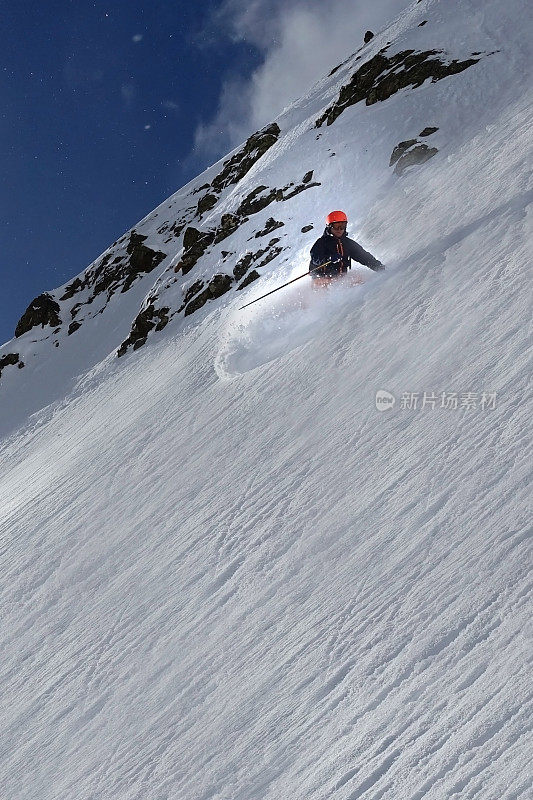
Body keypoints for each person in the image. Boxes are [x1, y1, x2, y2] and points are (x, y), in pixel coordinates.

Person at [310, 211, 384, 284]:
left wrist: (380, 268)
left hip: (340, 278)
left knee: (360, 281)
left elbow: (363, 256)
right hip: (322, 277)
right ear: (329, 227)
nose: (339, 229)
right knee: (324, 282)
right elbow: (315, 258)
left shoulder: (347, 243)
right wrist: (328, 258)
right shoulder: (322, 242)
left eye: (342, 226)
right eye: (336, 226)